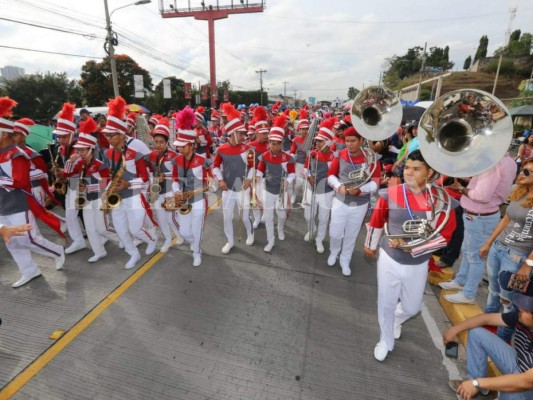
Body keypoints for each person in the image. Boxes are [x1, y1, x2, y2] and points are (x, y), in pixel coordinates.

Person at [364, 150, 457, 362]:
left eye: (416, 169)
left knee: (412, 307)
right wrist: (370, 244)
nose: (409, 173)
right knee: (385, 303)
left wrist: (414, 248)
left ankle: (395, 320)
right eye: (407, 168)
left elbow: (445, 236)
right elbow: (378, 218)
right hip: (389, 258)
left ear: (429, 172)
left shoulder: (441, 200)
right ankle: (385, 339)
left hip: (418, 262)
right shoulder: (393, 193)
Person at [0, 96, 65, 288]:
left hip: (19, 202)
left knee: (28, 238)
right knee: (11, 241)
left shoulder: (17, 154)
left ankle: (57, 251)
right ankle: (29, 270)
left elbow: (20, 181)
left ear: (4, 134)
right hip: (3, 204)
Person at [439, 153, 517, 304]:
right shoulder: (509, 162)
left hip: (479, 216)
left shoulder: (493, 164)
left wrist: (460, 188)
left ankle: (468, 294)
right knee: (468, 252)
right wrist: (469, 181)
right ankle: (461, 280)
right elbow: (492, 187)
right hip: (482, 216)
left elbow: (482, 195)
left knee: (474, 257)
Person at [444, 283, 533, 400]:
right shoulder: (520, 317)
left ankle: (477, 385)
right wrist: (454, 330)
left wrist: (478, 383)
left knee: (511, 393)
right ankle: (474, 386)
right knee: (477, 333)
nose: (520, 309)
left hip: (528, 383)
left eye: (526, 309)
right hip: (520, 365)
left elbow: (526, 381)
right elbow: (486, 319)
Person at [479, 157, 533, 341]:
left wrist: (528, 264)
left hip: (517, 256)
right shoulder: (519, 192)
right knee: (493, 291)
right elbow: (505, 219)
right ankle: (486, 327)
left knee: (509, 301)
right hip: (498, 248)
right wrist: (488, 243)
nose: (521, 173)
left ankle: (500, 339)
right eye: (522, 169)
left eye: (527, 172)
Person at [102, 96, 157, 270]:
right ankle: (133, 253)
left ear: (121, 134)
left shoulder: (135, 151)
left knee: (135, 229)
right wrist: (108, 189)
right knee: (120, 230)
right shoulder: (108, 153)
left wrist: (128, 184)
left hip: (133, 195)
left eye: (112, 135)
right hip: (117, 197)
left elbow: (146, 178)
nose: (109, 138)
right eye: (107, 135)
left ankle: (151, 240)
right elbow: (109, 174)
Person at [327, 123, 381, 276]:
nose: (349, 144)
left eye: (353, 141)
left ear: (361, 140)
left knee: (352, 234)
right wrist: (339, 187)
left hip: (360, 204)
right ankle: (334, 252)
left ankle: (345, 259)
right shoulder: (341, 154)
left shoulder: (371, 158)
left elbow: (375, 182)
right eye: (347, 141)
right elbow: (331, 175)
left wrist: (361, 190)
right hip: (340, 199)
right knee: (335, 232)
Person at [64, 130, 117, 263]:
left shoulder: (100, 165)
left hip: (99, 198)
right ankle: (99, 251)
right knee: (90, 228)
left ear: (91, 149)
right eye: (78, 150)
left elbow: (106, 184)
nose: (79, 153)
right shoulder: (81, 164)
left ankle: (122, 238)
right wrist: (70, 161)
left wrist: (87, 187)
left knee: (102, 228)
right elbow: (67, 174)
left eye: (82, 150)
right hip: (87, 199)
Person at [171, 107, 212, 267]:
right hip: (184, 199)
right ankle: (195, 243)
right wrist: (176, 191)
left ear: (190, 145)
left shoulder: (202, 160)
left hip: (199, 199)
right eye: (179, 145)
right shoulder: (177, 160)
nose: (179, 148)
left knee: (197, 229)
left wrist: (212, 183)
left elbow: (211, 179)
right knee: (184, 232)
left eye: (182, 146)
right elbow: (175, 178)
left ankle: (197, 252)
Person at [212, 102, 255, 254]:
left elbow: (252, 167)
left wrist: (249, 179)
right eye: (240, 133)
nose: (243, 136)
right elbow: (215, 166)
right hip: (227, 189)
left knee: (244, 217)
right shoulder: (221, 149)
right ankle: (229, 241)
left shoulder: (247, 148)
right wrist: (220, 180)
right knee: (227, 217)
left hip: (242, 189)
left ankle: (250, 233)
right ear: (232, 134)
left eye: (243, 134)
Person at [256, 113, 295, 253]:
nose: (276, 146)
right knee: (267, 216)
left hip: (282, 191)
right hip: (268, 190)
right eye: (273, 143)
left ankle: (280, 229)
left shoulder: (287, 157)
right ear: (269, 143)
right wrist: (257, 177)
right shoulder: (265, 156)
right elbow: (260, 170)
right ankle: (270, 240)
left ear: (282, 143)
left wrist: (288, 182)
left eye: (278, 143)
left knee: (281, 214)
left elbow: (292, 173)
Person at [145, 117, 182, 254]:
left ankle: (181, 235)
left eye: (161, 142)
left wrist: (165, 176)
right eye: (156, 142)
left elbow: (178, 175)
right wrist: (154, 179)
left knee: (171, 218)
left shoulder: (174, 156)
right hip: (157, 191)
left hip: (170, 190)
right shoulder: (150, 155)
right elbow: (148, 172)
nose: (158, 145)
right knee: (160, 218)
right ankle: (167, 239)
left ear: (167, 142)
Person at [302, 119, 336, 254]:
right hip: (311, 189)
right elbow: (305, 169)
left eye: (320, 141)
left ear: (328, 142)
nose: (317, 143)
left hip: (326, 192)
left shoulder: (334, 157)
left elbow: (336, 176)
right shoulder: (312, 154)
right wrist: (308, 176)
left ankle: (319, 240)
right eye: (317, 140)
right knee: (307, 215)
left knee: (323, 218)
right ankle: (311, 229)